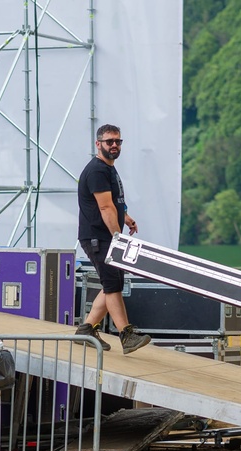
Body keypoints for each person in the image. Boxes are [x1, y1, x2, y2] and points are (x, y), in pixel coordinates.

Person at [75, 124, 151, 355]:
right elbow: (105, 207)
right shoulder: (97, 170)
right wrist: (118, 239)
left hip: (104, 236)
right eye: (109, 142)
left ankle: (86, 329)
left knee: (113, 283)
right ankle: (126, 334)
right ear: (98, 144)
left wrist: (125, 216)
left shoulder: (108, 168)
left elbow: (114, 202)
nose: (115, 145)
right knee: (112, 285)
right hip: (98, 237)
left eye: (118, 141)